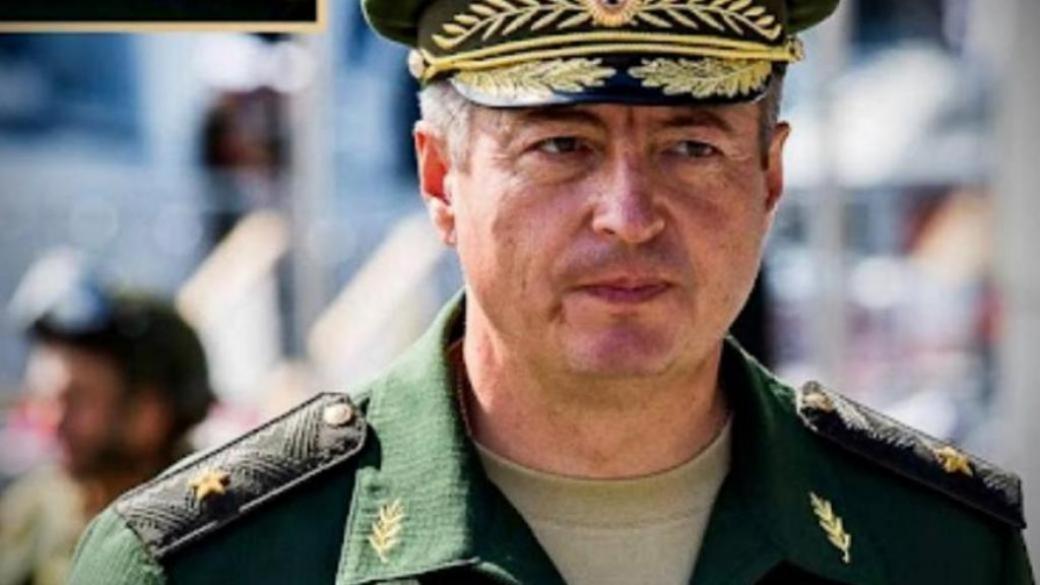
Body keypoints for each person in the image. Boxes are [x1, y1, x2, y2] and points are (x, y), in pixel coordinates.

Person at [68, 0, 1033, 583]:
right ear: (441, 180)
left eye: (691, 147)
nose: (628, 214)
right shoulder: (212, 564)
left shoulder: (936, 550)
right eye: (561, 145)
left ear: (770, 178)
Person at [1, 274, 213, 585]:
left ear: (148, 414)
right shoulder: (35, 512)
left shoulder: (212, 518)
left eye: (77, 399)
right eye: (46, 398)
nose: (53, 419)